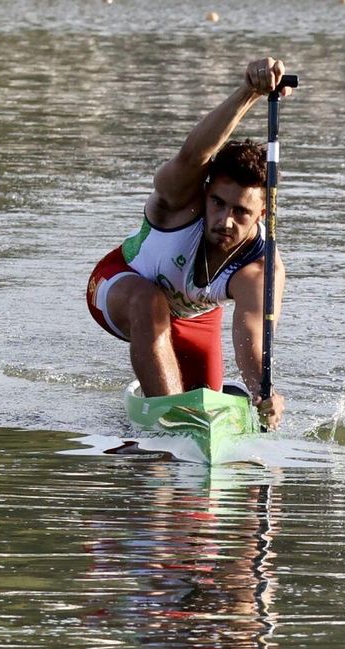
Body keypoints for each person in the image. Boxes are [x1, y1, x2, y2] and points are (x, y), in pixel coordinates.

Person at [86, 57, 291, 431]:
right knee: (149, 302)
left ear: (262, 214)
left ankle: (177, 414)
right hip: (121, 283)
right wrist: (249, 92)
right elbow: (193, 154)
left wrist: (263, 393)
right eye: (218, 203)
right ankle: (173, 424)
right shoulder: (181, 200)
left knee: (209, 393)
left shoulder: (260, 268)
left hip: (196, 315)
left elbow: (251, 336)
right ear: (206, 191)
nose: (224, 220)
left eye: (241, 212)